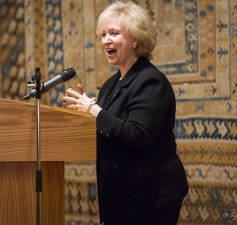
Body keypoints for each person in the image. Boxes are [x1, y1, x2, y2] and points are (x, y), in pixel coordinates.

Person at [62, 1, 188, 225]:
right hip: (121, 198)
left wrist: (95, 110)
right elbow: (109, 127)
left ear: (136, 38)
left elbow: (137, 134)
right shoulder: (112, 84)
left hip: (150, 200)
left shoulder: (150, 81)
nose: (106, 40)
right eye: (103, 34)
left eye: (114, 33)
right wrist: (85, 115)